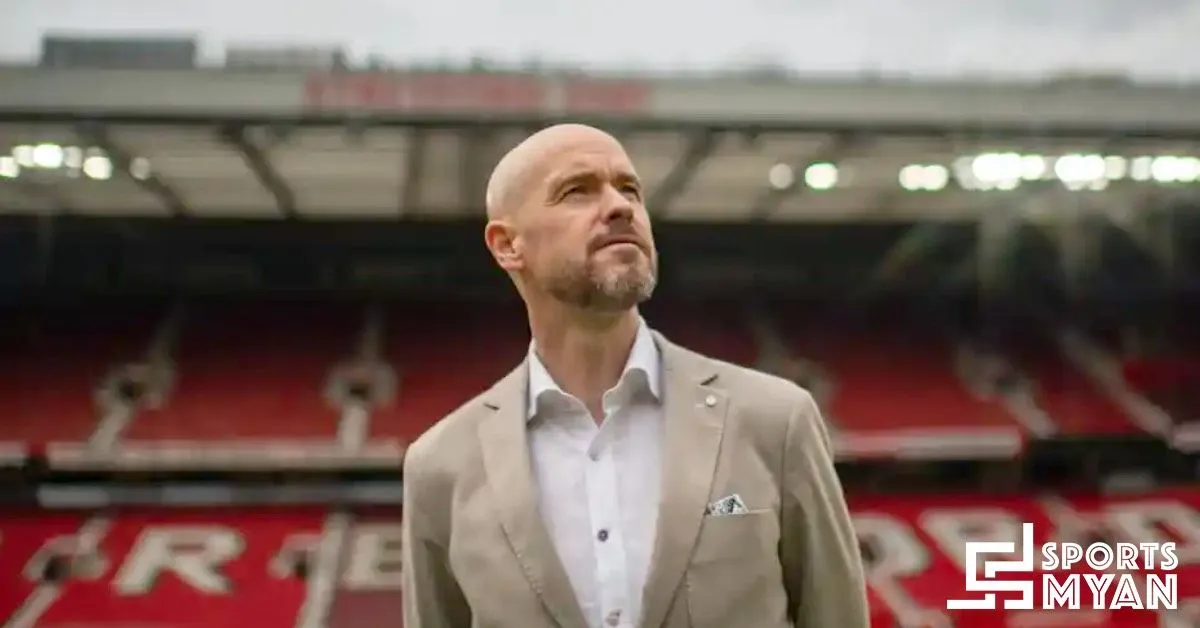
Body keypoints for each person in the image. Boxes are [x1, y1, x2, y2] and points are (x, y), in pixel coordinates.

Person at [401, 123, 869, 628]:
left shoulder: (775, 421)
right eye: (576, 191)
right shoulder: (440, 466)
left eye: (629, 189)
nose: (619, 206)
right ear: (507, 245)